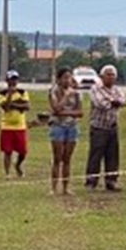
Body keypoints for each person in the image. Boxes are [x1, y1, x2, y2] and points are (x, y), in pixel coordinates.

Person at [87, 64, 126, 191]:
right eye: (108, 74)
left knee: (113, 156)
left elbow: (125, 101)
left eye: (113, 75)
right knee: (96, 155)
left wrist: (112, 101)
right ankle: (91, 182)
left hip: (113, 127)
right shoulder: (95, 88)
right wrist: (115, 102)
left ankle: (111, 181)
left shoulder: (117, 89)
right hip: (99, 127)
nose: (110, 77)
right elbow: (101, 104)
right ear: (101, 76)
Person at [48, 67, 83, 195]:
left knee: (67, 158)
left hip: (72, 127)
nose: (68, 80)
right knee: (57, 157)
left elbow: (80, 112)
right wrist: (66, 97)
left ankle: (66, 187)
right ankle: (53, 187)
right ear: (59, 79)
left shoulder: (77, 93)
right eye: (65, 78)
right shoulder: (54, 92)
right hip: (58, 126)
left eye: (69, 77)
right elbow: (56, 109)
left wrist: (65, 113)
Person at [0, 70, 31, 179]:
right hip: (7, 125)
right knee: (7, 151)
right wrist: (10, 97)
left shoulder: (22, 92)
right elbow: (5, 107)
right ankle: (7, 173)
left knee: (23, 151)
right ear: (7, 80)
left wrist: (13, 104)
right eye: (11, 79)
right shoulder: (2, 93)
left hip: (20, 125)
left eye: (15, 79)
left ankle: (18, 165)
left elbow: (26, 107)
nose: (13, 82)